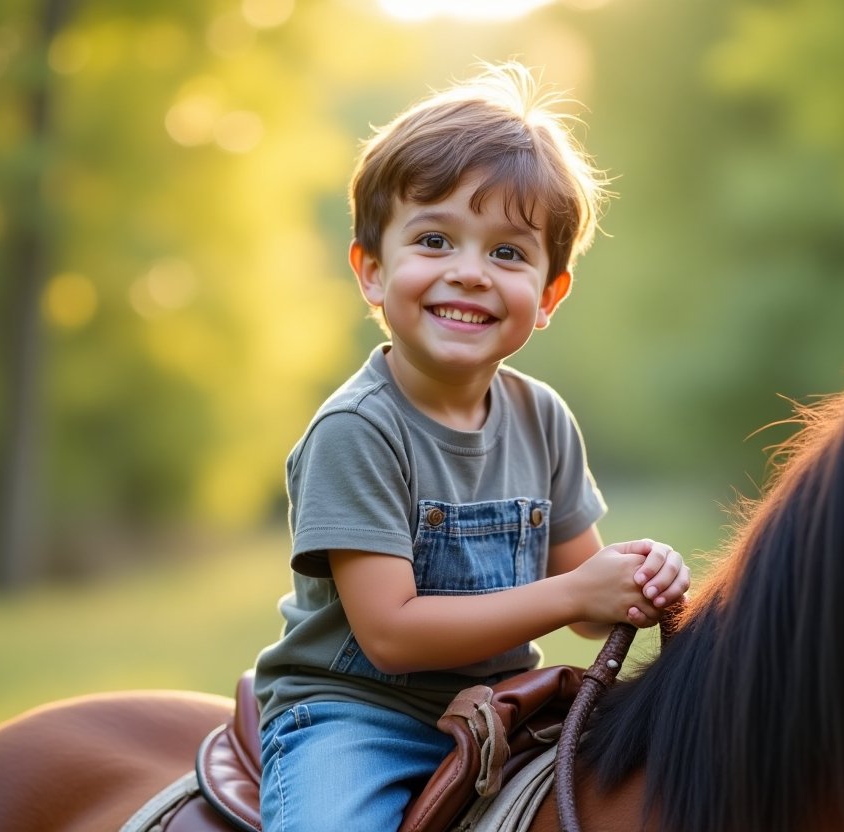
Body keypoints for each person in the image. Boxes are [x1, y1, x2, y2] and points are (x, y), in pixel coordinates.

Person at [252, 61, 689, 832]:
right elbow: (389, 635)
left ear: (549, 294)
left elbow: (585, 597)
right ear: (373, 272)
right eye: (433, 239)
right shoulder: (358, 430)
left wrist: (633, 578)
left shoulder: (542, 418)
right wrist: (574, 595)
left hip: (497, 710)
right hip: (358, 719)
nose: (469, 273)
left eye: (508, 253)